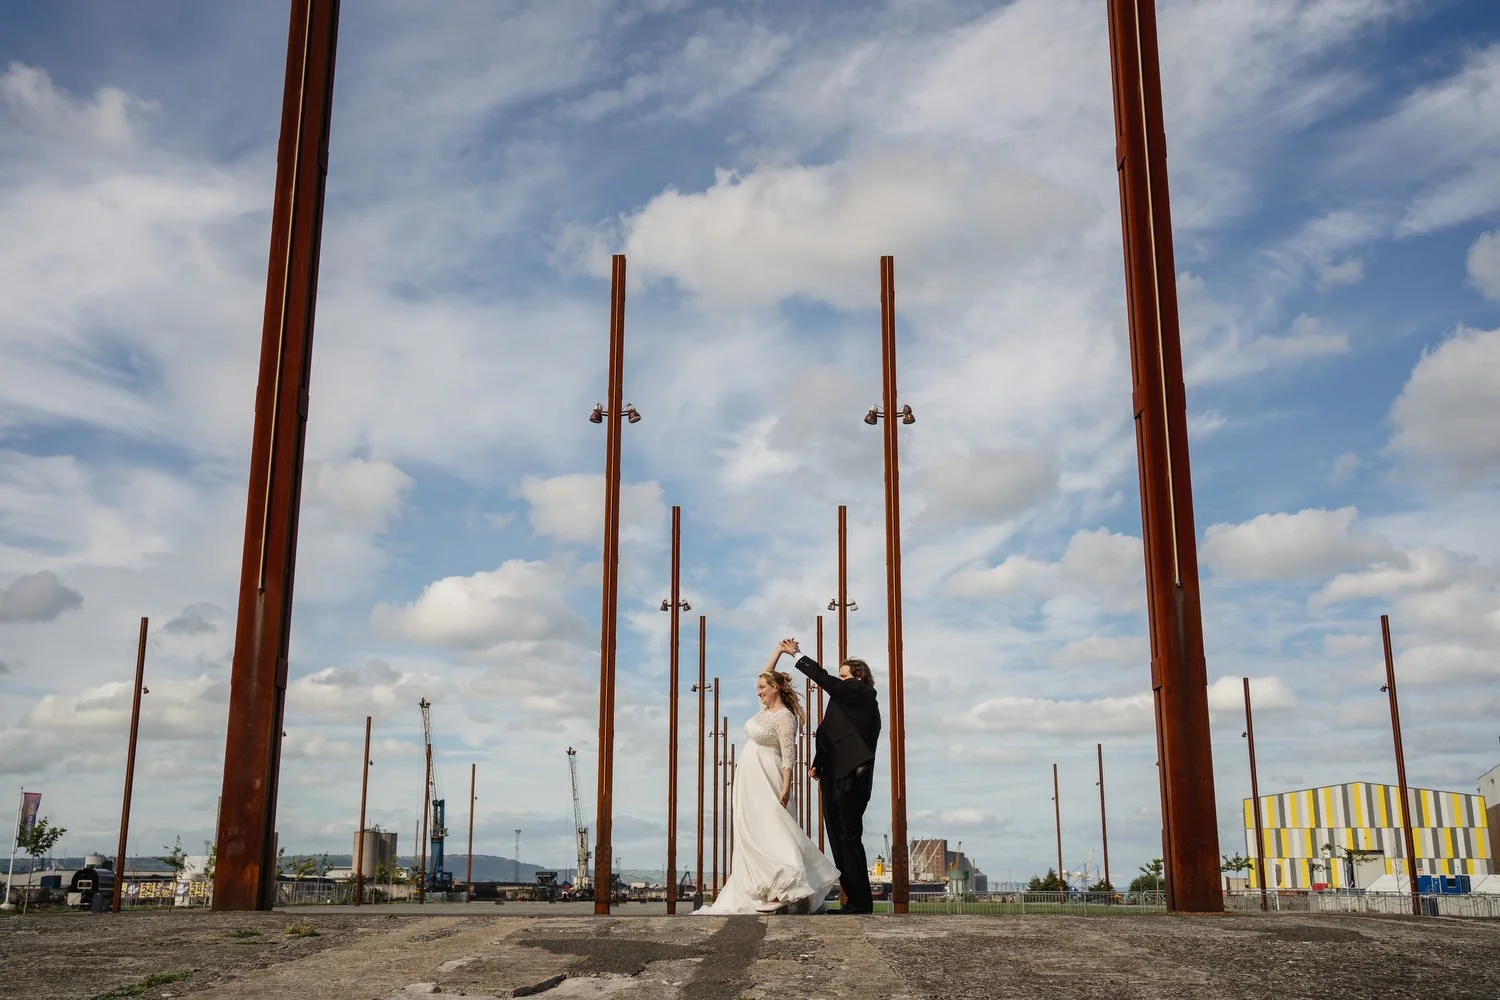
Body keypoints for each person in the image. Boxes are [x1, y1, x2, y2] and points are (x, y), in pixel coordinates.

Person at [696, 650, 841, 915]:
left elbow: (789, 755)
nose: (758, 692)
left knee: (775, 830)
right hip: (749, 780)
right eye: (758, 688)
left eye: (762, 687)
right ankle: (775, 890)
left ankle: (787, 887)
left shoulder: (785, 717)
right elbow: (765, 673)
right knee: (753, 832)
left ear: (775, 688)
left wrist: (786, 788)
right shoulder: (764, 709)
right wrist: (778, 651)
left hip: (770, 778)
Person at [781, 636, 880, 914]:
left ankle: (860, 903)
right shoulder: (846, 704)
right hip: (835, 775)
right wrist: (819, 762)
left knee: (847, 837)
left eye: (845, 675)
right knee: (838, 838)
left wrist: (797, 655)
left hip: (851, 776)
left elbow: (827, 681)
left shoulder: (860, 694)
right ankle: (856, 901)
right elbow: (830, 735)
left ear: (858, 678)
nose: (841, 680)